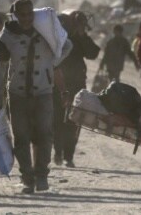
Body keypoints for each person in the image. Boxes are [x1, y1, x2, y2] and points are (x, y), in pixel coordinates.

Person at [0, 0, 70, 194]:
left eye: (29, 14)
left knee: (45, 134)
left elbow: (67, 45)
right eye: (22, 15)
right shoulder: (7, 37)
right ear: (15, 16)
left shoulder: (45, 31)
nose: (26, 18)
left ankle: (42, 175)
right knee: (21, 138)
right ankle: (27, 178)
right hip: (17, 94)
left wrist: (51, 63)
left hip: (43, 92)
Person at [53, 11, 100, 167]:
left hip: (77, 84)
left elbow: (92, 53)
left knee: (75, 120)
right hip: (59, 82)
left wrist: (82, 36)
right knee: (57, 119)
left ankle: (68, 156)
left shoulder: (81, 37)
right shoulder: (61, 35)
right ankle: (58, 152)